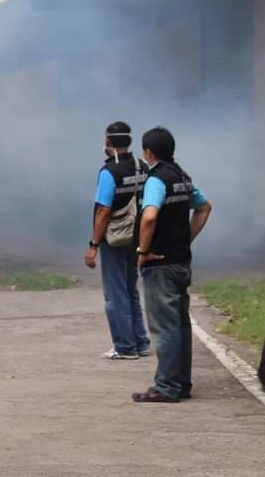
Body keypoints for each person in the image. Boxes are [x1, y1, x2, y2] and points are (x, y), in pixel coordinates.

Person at [133, 126, 212, 403]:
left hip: (161, 264)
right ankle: (181, 383)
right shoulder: (182, 177)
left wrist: (143, 251)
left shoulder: (156, 179)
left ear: (149, 153)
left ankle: (166, 387)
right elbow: (204, 208)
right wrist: (185, 239)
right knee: (180, 325)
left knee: (164, 327)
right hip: (181, 262)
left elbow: (149, 217)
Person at [85, 122, 151, 360]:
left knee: (115, 294)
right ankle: (141, 342)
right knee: (131, 289)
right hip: (136, 237)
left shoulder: (108, 172)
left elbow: (103, 211)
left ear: (108, 142)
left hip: (114, 240)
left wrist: (93, 245)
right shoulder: (142, 166)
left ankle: (125, 346)